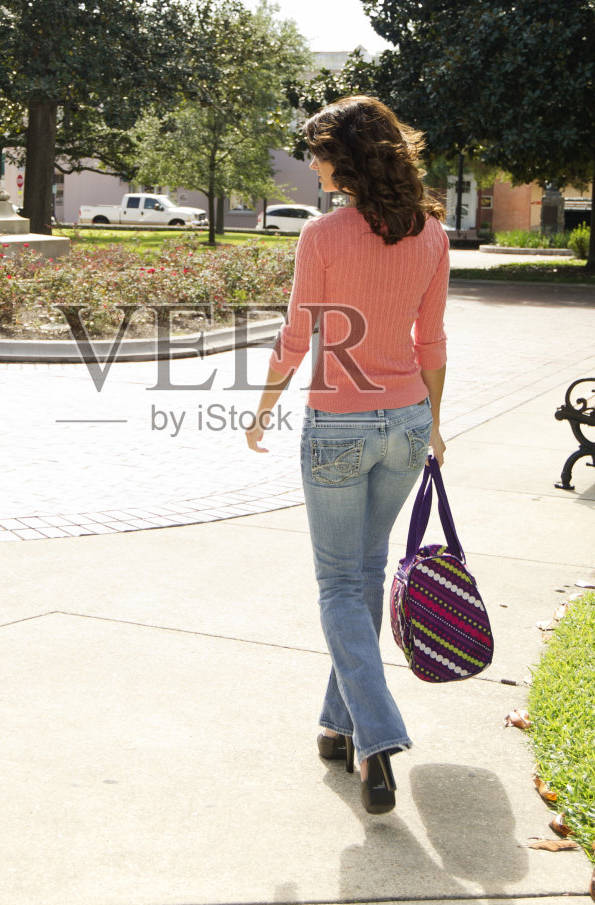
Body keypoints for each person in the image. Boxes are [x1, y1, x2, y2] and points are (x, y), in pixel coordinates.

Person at [244, 95, 448, 815]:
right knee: (364, 571)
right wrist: (435, 423)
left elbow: (297, 334)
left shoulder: (323, 235)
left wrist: (262, 407)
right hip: (406, 424)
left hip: (339, 425)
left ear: (348, 158)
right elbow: (431, 340)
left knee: (339, 583)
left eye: (319, 152)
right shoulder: (431, 232)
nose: (313, 165)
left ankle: (376, 737)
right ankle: (338, 724)